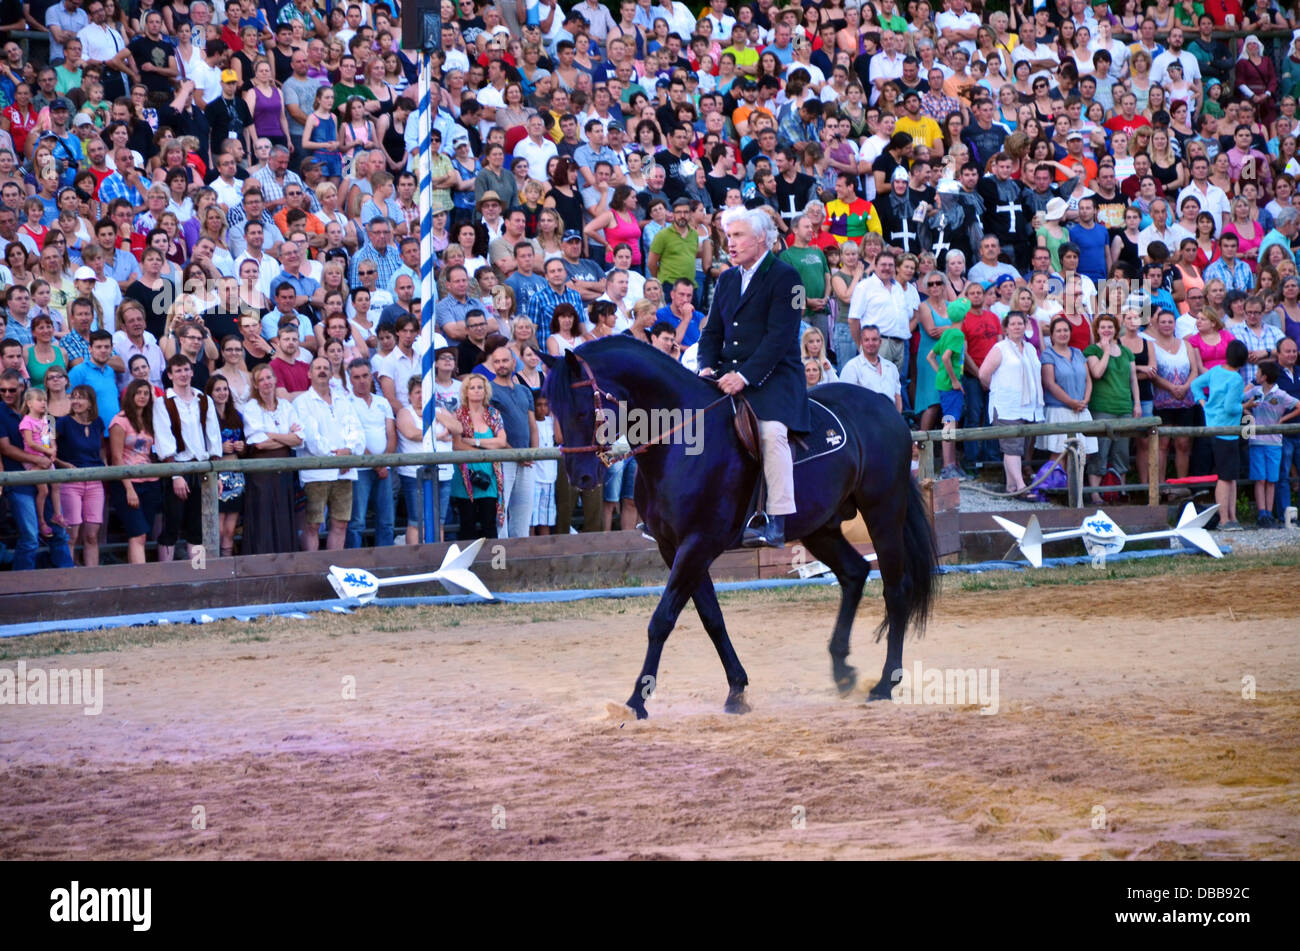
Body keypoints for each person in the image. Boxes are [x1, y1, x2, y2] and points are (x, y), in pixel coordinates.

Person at [698, 206, 809, 548]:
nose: (730, 243)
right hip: (725, 375)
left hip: (775, 378)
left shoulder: (789, 278)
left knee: (771, 433)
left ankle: (776, 518)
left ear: (761, 237)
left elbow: (781, 337)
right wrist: (705, 365)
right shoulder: (728, 278)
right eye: (728, 236)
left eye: (738, 236)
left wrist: (744, 376)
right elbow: (712, 330)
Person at [152, 352, 222, 563]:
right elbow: (164, 439)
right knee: (170, 525)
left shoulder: (204, 399)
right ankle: (167, 576)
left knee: (197, 527)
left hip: (201, 467)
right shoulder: (162, 403)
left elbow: (213, 438)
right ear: (170, 375)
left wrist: (215, 474)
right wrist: (175, 476)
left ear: (192, 372)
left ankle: (198, 571)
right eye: (178, 371)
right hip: (177, 467)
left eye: (186, 370)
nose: (183, 374)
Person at [295, 355, 365, 552]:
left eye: (326, 367)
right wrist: (338, 458)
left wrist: (350, 451)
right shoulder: (302, 402)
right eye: (317, 368)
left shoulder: (344, 399)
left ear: (332, 372)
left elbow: (357, 429)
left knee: (341, 523)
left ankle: (334, 567)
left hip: (345, 471)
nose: (322, 371)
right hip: (316, 473)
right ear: (309, 373)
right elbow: (310, 436)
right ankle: (313, 570)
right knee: (312, 525)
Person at [979, 312, 1045, 498]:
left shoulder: (1031, 349)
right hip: (1007, 406)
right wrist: (1000, 389)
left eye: (1020, 323)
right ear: (1006, 328)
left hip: (1029, 407)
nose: (1017, 326)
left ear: (1025, 326)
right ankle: (1022, 487)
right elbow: (983, 373)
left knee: (1018, 448)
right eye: (1013, 324)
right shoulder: (1000, 348)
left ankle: (1011, 487)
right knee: (1012, 447)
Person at [241, 363, 302, 554]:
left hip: (284, 469)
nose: (266, 382)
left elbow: (300, 438)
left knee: (283, 513)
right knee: (263, 514)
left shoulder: (285, 405)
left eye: (269, 378)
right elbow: (258, 442)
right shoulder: (251, 407)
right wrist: (286, 438)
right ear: (256, 385)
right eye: (261, 379)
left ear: (275, 380)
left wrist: (273, 436)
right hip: (262, 470)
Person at [1189, 340, 1248, 530]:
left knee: (1230, 475)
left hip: (1214, 425)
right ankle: (1224, 519)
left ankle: (1232, 517)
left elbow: (1196, 385)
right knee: (1225, 476)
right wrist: (1246, 406)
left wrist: (1202, 402)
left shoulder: (1215, 371)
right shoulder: (1236, 379)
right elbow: (1231, 407)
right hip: (1227, 429)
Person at [1084, 313, 1142, 495]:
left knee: (1122, 451)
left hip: (1124, 407)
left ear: (1116, 329)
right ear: (1097, 330)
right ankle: (1094, 492)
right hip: (1102, 407)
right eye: (1103, 327)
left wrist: (1137, 404)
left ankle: (1120, 490)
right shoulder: (1092, 350)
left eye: (1110, 327)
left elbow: (1133, 379)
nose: (1107, 330)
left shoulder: (1126, 352)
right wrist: (1107, 351)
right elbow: (1097, 373)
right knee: (1100, 450)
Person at [487, 339, 538, 538]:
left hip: (526, 459)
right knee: (502, 512)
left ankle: (521, 559)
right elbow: (492, 429)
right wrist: (516, 454)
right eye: (497, 361)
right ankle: (502, 560)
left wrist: (534, 453)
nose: (501, 365)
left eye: (504, 361)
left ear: (513, 362)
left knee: (524, 512)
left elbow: (532, 425)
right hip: (502, 459)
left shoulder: (524, 390)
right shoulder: (489, 390)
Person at [107, 379, 162, 565]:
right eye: (138, 392)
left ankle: (136, 577)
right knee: (137, 533)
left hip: (151, 481)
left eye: (146, 393)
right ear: (130, 395)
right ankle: (141, 581)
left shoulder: (150, 420)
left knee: (142, 535)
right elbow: (116, 458)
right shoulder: (120, 420)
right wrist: (129, 489)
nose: (142, 396)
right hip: (128, 484)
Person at [345, 357, 396, 549]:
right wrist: (377, 464)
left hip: (385, 466)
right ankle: (356, 561)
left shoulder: (382, 402)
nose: (362, 380)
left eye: (365, 375)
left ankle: (387, 560)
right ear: (350, 380)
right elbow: (354, 437)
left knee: (387, 520)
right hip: (360, 468)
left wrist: (384, 462)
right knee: (357, 521)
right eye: (356, 377)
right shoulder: (346, 403)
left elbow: (391, 433)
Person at [1242, 362, 1300, 527]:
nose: (1257, 376)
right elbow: (1239, 401)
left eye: (1259, 372)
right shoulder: (1254, 392)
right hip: (1256, 441)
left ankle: (1269, 512)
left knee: (1271, 479)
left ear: (1265, 376)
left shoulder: (1280, 395)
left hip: (1274, 442)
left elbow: (1298, 406)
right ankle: (1262, 513)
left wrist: (1282, 420)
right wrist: (1247, 410)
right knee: (1259, 478)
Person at [450, 372, 507, 540]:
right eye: (472, 387)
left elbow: (502, 441)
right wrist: (484, 452)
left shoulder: (493, 414)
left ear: (486, 391)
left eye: (480, 387)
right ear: (465, 391)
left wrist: (474, 441)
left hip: (489, 476)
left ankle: (495, 565)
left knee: (489, 524)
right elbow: (457, 444)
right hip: (465, 477)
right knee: (467, 525)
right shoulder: (458, 414)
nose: (476, 391)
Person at [55, 384, 107, 566]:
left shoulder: (98, 423)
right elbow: (48, 450)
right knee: (72, 534)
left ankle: (93, 579)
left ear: (91, 402)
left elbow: (101, 450)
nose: (76, 401)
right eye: (74, 397)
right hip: (70, 482)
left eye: (81, 397)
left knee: (92, 535)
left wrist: (105, 467)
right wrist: (64, 465)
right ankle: (70, 578)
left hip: (95, 482)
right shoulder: (62, 422)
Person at [205, 374, 246, 557]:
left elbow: (247, 445)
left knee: (230, 530)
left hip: (236, 474)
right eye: (217, 389)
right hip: (218, 474)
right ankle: (215, 565)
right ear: (210, 393)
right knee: (218, 528)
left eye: (225, 389)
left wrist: (241, 446)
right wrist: (219, 448)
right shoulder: (206, 416)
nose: (222, 393)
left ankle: (228, 564)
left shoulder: (237, 415)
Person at [928, 299, 969, 480]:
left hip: (946, 383)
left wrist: (941, 375)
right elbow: (945, 357)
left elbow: (931, 356)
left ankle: (951, 463)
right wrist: (953, 380)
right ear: (964, 316)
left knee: (952, 420)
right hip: (951, 385)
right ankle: (947, 465)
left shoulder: (946, 333)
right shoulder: (957, 335)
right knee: (949, 422)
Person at [19, 386, 63, 538]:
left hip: (46, 458)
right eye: (39, 400)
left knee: (56, 484)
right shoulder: (27, 421)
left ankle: (57, 514)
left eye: (45, 400)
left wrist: (52, 450)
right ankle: (41, 521)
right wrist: (47, 452)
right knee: (43, 490)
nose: (43, 403)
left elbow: (49, 441)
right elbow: (30, 443)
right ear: (29, 403)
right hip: (33, 461)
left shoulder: (47, 420)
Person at [394, 375, 426, 545]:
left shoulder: (439, 410)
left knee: (439, 520)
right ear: (410, 395)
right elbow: (411, 433)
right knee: (416, 519)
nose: (421, 396)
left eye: (424, 391)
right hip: (412, 473)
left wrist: (435, 413)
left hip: (440, 473)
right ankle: (416, 559)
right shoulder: (405, 412)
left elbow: (456, 427)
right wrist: (438, 435)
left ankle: (437, 556)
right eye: (417, 392)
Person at [531, 392, 559, 536]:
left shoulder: (551, 422)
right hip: (534, 478)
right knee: (531, 520)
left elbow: (559, 439)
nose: (542, 408)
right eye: (539, 405)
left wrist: (555, 414)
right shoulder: (531, 424)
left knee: (546, 520)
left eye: (546, 405)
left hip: (550, 478)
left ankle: (545, 552)